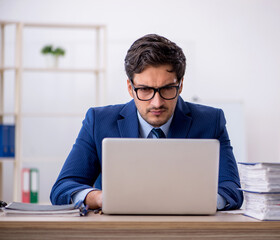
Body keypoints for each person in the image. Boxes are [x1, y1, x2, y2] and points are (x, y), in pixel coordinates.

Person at [50, 34, 243, 210]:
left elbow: (232, 189)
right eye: (144, 90)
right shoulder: (98, 121)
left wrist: (201, 202)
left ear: (181, 84)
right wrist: (101, 198)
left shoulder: (211, 121)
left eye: (167, 89)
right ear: (130, 87)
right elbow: (63, 188)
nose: (156, 102)